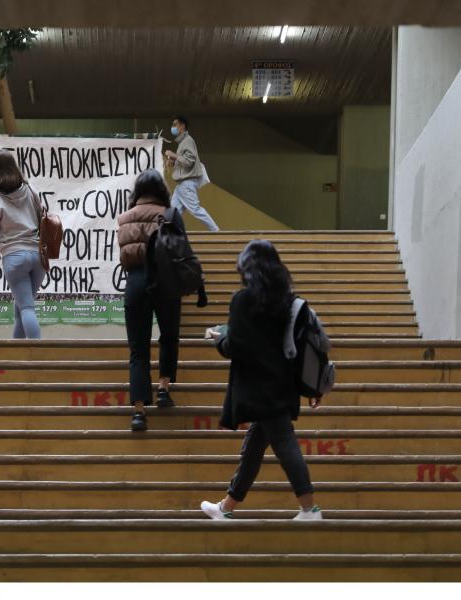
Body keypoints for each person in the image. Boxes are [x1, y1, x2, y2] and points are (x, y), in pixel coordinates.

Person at [200, 240, 323, 520]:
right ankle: (225, 509)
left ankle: (310, 509)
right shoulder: (289, 303)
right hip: (284, 385)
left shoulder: (243, 300)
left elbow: (237, 346)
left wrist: (219, 341)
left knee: (285, 445)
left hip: (259, 388)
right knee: (254, 449)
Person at [118, 169, 199, 432]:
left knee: (138, 350)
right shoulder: (171, 214)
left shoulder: (125, 218)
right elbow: (181, 248)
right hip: (166, 283)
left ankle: (139, 413)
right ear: (162, 190)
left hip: (136, 282)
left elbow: (125, 256)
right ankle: (163, 389)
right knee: (169, 336)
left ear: (138, 191)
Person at [0, 150, 46, 339]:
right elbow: (42, 219)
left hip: (14, 258)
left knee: (26, 308)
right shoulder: (31, 189)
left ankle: (38, 359)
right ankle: (16, 355)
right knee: (21, 308)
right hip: (38, 256)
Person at [164, 116, 220, 232]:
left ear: (182, 126)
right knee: (172, 213)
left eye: (175, 124)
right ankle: (166, 233)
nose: (173, 127)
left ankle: (215, 231)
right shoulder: (183, 142)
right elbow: (184, 163)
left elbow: (189, 162)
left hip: (186, 184)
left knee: (195, 210)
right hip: (181, 185)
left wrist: (173, 155)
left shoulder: (188, 140)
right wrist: (173, 162)